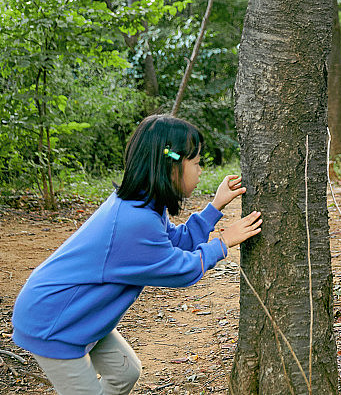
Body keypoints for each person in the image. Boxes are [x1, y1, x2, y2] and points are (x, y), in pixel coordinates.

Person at [12, 115, 262, 394]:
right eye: (197, 162)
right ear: (172, 166)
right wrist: (224, 241)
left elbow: (176, 242)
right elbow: (179, 269)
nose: (201, 169)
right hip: (54, 322)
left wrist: (215, 206)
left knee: (125, 372)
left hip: (77, 314)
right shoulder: (134, 220)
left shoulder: (143, 204)